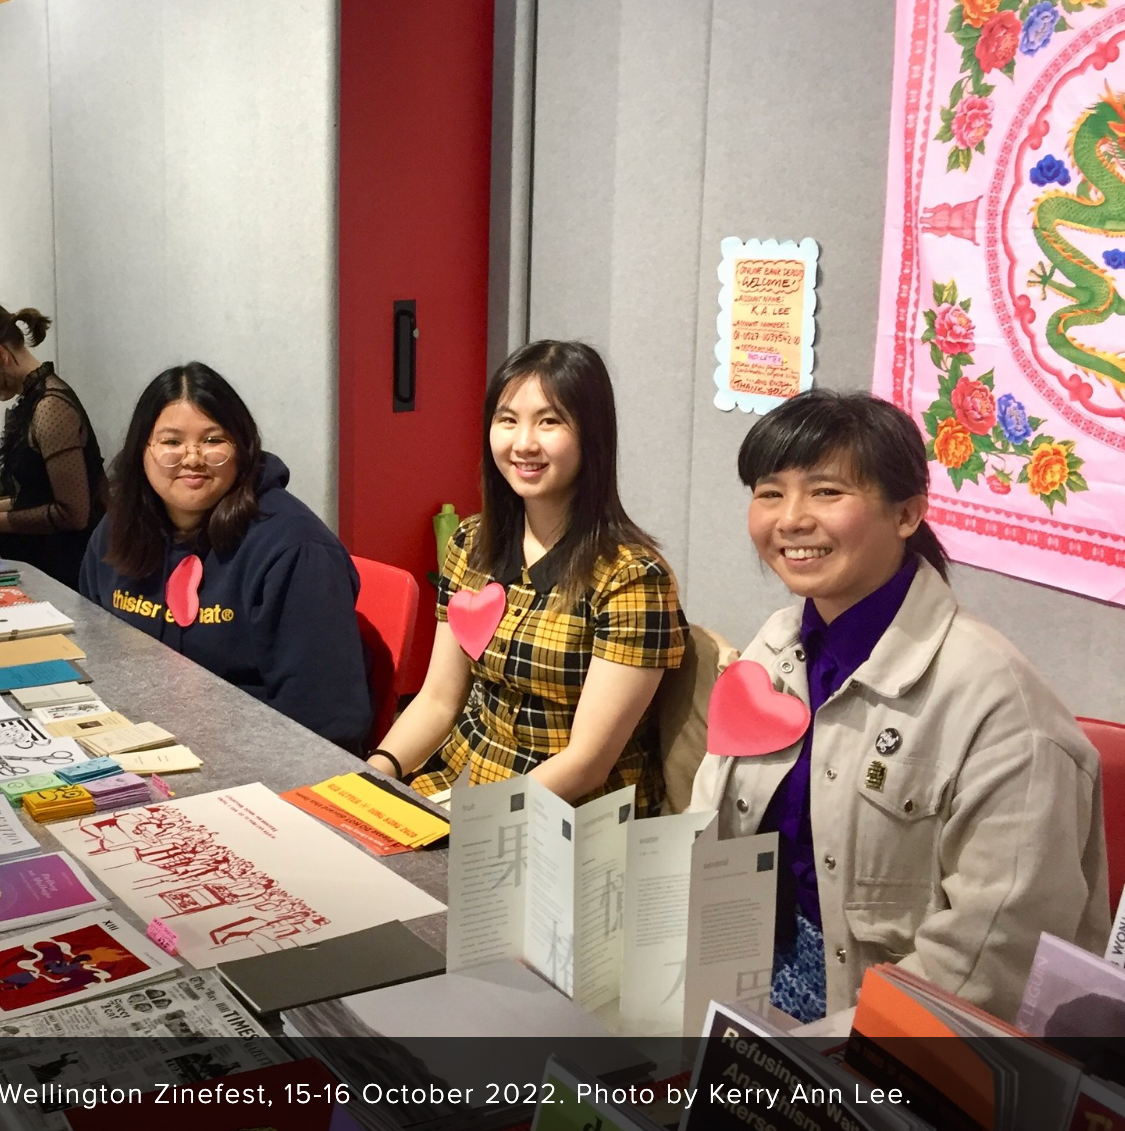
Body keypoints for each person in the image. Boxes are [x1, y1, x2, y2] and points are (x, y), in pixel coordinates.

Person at [691, 390, 1105, 1023]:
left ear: (908, 513)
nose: (791, 518)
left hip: (889, 1030)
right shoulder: (777, 643)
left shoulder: (1005, 712)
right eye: (770, 492)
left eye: (827, 492)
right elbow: (709, 820)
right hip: (750, 975)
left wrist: (813, 1061)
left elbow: (988, 958)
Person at [375, 341, 686, 814]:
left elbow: (587, 762)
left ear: (591, 435)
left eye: (550, 421)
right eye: (507, 419)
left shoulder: (632, 578)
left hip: (567, 815)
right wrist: (376, 772)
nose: (523, 443)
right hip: (461, 783)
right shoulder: (472, 544)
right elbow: (438, 699)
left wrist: (475, 825)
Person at [79, 362, 370, 750]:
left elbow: (326, 720)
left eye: (213, 440)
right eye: (171, 442)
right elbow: (90, 646)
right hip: (131, 739)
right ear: (142, 450)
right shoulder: (118, 528)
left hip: (250, 759)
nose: (193, 457)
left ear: (242, 447)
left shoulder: (296, 550)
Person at [0, 303, 104, 586]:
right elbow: (38, 495)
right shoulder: (34, 400)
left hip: (64, 565)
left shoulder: (52, 407)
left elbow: (74, 514)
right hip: (43, 551)